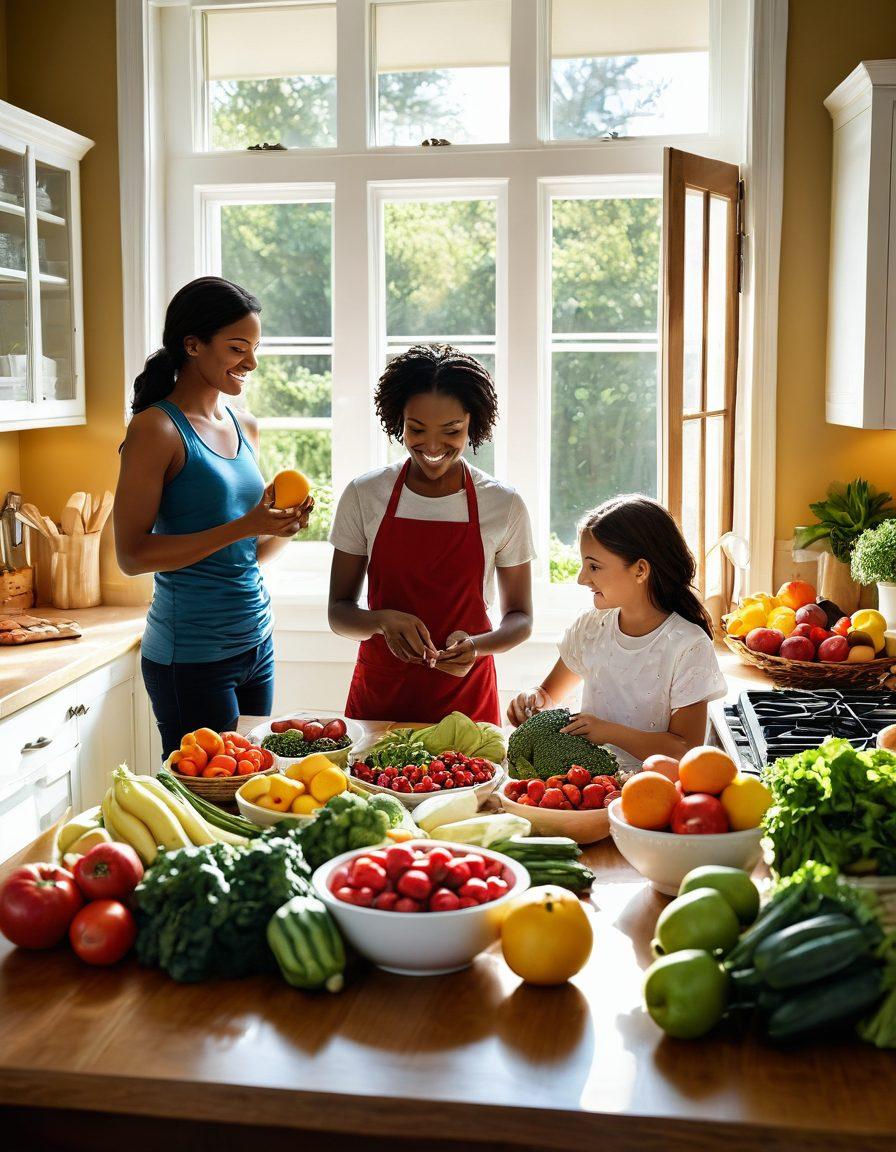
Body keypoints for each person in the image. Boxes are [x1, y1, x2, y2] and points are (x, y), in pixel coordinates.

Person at [114, 276, 313, 757]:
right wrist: (246, 524)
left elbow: (245, 552)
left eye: (256, 347)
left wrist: (282, 528)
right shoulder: (156, 429)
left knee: (254, 792)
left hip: (256, 642)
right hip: (192, 657)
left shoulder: (245, 425)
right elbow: (132, 554)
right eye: (238, 347)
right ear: (193, 345)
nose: (252, 362)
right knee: (203, 805)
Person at [328, 345, 534, 725]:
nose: (434, 447)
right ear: (398, 421)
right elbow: (339, 612)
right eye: (416, 429)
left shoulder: (503, 504)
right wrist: (382, 620)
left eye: (451, 431)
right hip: (381, 699)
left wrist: (475, 647)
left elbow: (520, 617)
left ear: (474, 422)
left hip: (466, 701)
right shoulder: (365, 493)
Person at [507, 495, 726, 775]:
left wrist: (608, 732)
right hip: (589, 788)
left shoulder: (688, 645)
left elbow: (685, 751)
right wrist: (531, 700)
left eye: (594, 566)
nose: (581, 578)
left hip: (654, 795)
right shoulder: (590, 628)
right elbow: (547, 695)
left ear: (640, 570)